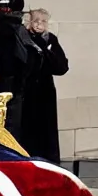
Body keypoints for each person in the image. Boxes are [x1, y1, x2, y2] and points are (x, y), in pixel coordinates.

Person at [20, 9, 69, 164]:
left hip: (45, 92)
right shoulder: (23, 38)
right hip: (26, 92)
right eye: (36, 21)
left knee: (46, 132)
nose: (39, 25)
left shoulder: (50, 39)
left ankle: (48, 163)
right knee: (27, 130)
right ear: (29, 22)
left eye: (43, 21)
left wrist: (47, 53)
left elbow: (62, 67)